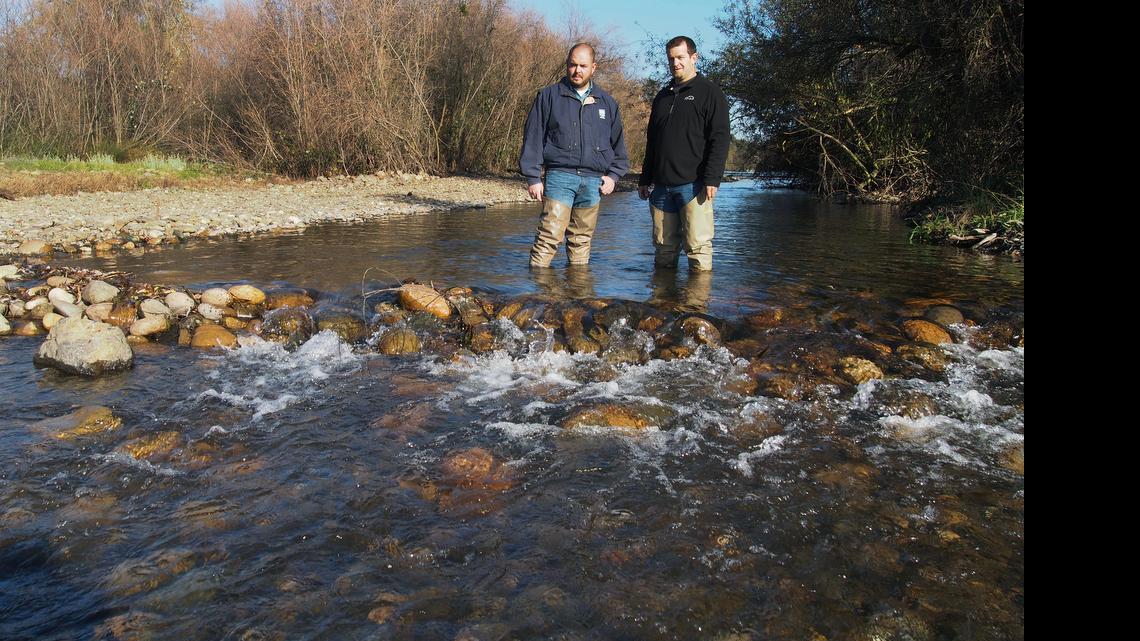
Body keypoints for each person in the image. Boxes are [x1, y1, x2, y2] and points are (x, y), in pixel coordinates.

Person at [519, 42, 629, 267]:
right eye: (572, 65)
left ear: (593, 68)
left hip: (593, 182)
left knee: (581, 242)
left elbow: (619, 147)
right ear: (567, 65)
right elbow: (534, 137)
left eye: (583, 66)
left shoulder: (607, 103)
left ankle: (578, 298)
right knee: (548, 237)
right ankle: (536, 298)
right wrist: (533, 177)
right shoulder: (549, 96)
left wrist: (613, 176)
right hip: (559, 177)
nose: (577, 70)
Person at [638, 35, 730, 271]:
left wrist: (712, 178)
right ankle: (662, 305)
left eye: (680, 57)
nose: (675, 63)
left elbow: (719, 138)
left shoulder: (710, 93)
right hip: (660, 187)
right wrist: (644, 178)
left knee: (697, 250)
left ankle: (696, 306)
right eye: (671, 59)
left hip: (694, 185)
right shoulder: (662, 96)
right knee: (663, 250)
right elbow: (653, 141)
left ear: (693, 57)